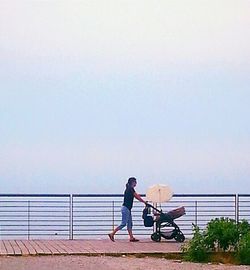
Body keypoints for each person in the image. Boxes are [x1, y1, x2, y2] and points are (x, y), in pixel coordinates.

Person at [108, 177, 147, 242]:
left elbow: (136, 195)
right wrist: (144, 202)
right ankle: (112, 233)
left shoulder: (129, 189)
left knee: (130, 223)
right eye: (135, 182)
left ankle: (131, 237)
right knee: (123, 223)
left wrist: (143, 201)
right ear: (132, 182)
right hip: (126, 209)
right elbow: (136, 196)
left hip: (127, 209)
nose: (136, 183)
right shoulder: (130, 189)